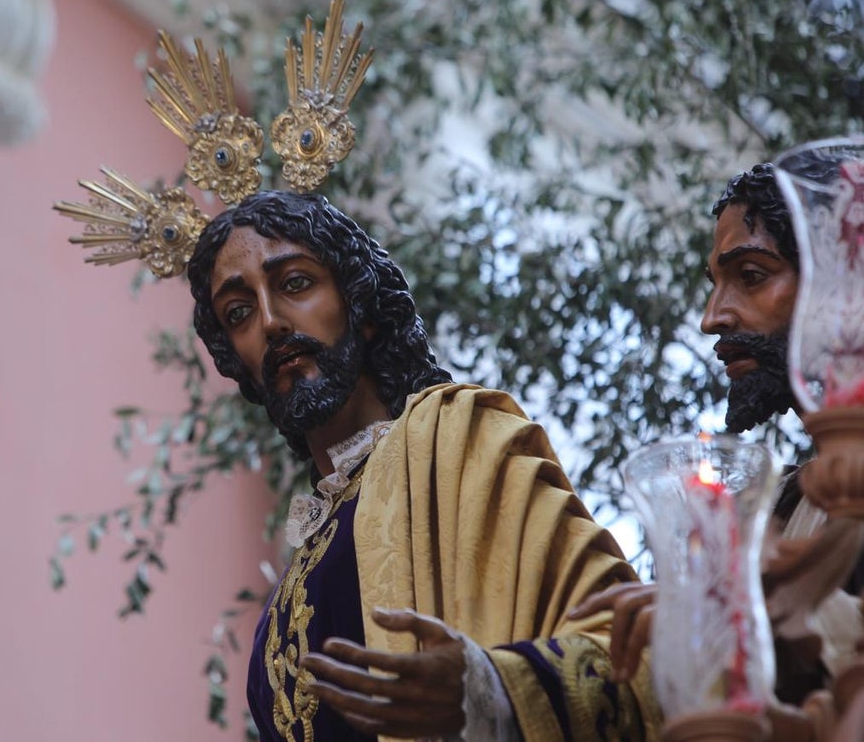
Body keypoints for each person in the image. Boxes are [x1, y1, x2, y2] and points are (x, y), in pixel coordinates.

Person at [185, 190, 660, 741]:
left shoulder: (463, 437)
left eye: (295, 283)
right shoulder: (293, 581)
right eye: (238, 313)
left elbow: (630, 652)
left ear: (359, 304)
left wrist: (490, 690)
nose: (269, 322)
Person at [570, 161, 864, 704]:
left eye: (751, 275)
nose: (712, 318)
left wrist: (735, 610)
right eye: (716, 285)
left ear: (843, 286)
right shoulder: (781, 505)